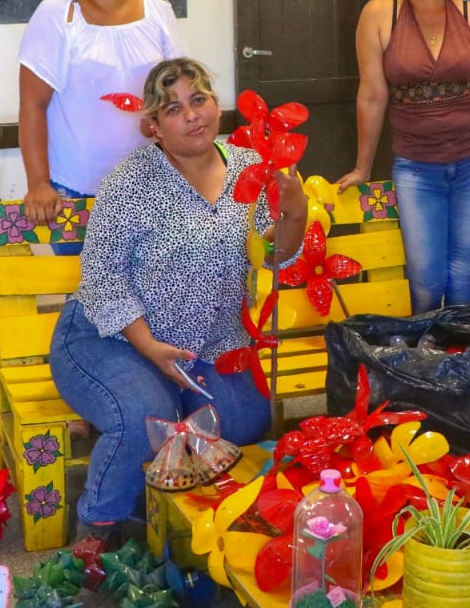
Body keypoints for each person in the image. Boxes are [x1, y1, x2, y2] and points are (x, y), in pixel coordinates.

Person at [49, 57, 307, 539]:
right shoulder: (130, 182)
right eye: (173, 108)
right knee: (146, 418)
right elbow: (102, 277)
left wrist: (295, 214)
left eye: (199, 99)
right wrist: (150, 349)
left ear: (216, 105)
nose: (191, 115)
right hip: (111, 339)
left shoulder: (251, 167)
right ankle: (98, 527)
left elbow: (275, 256)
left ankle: (165, 497)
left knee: (244, 420)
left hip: (206, 346)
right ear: (154, 124)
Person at [335, 0, 470, 314]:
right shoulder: (379, 14)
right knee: (425, 280)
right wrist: (362, 167)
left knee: (462, 276)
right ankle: (425, 349)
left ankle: (458, 352)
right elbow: (372, 96)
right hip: (416, 169)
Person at [18, 0, 186, 232]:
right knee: (83, 270)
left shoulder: (158, 10)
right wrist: (38, 184)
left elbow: (178, 91)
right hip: (74, 193)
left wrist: (158, 122)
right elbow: (32, 106)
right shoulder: (56, 14)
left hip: (151, 187)